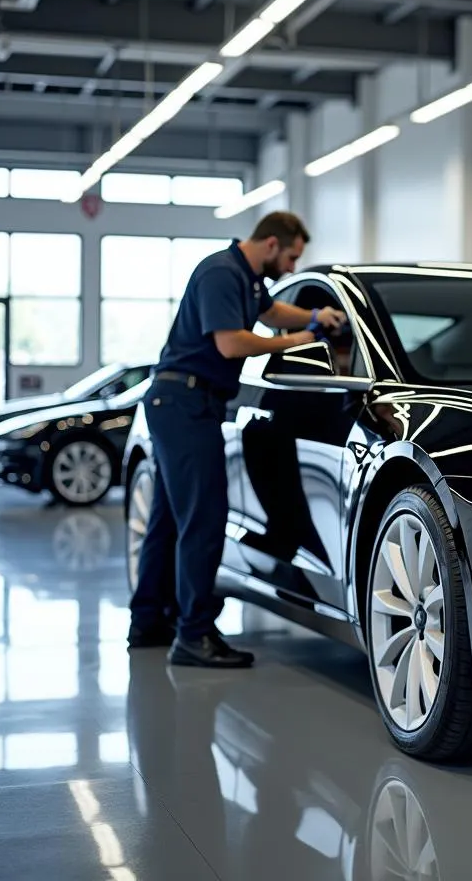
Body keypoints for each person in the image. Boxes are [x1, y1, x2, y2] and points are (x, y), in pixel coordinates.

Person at [127, 211, 346, 668]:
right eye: (290, 257)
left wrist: (311, 314)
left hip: (184, 404)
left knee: (169, 522)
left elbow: (269, 311)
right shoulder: (221, 273)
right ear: (270, 243)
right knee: (204, 520)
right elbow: (231, 344)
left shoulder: (245, 278)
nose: (290, 268)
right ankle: (193, 635)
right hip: (186, 407)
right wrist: (302, 339)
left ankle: (149, 622)